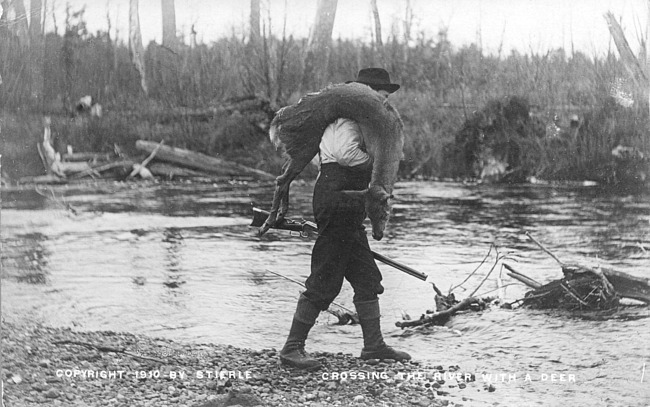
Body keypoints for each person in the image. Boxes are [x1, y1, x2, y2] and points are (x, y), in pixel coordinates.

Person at [279, 68, 411, 370]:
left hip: (349, 199)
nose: (384, 101)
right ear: (364, 92)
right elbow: (343, 153)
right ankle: (291, 348)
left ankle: (374, 346)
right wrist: (380, 162)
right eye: (382, 94)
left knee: (366, 277)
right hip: (337, 196)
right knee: (326, 274)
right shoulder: (347, 117)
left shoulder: (362, 118)